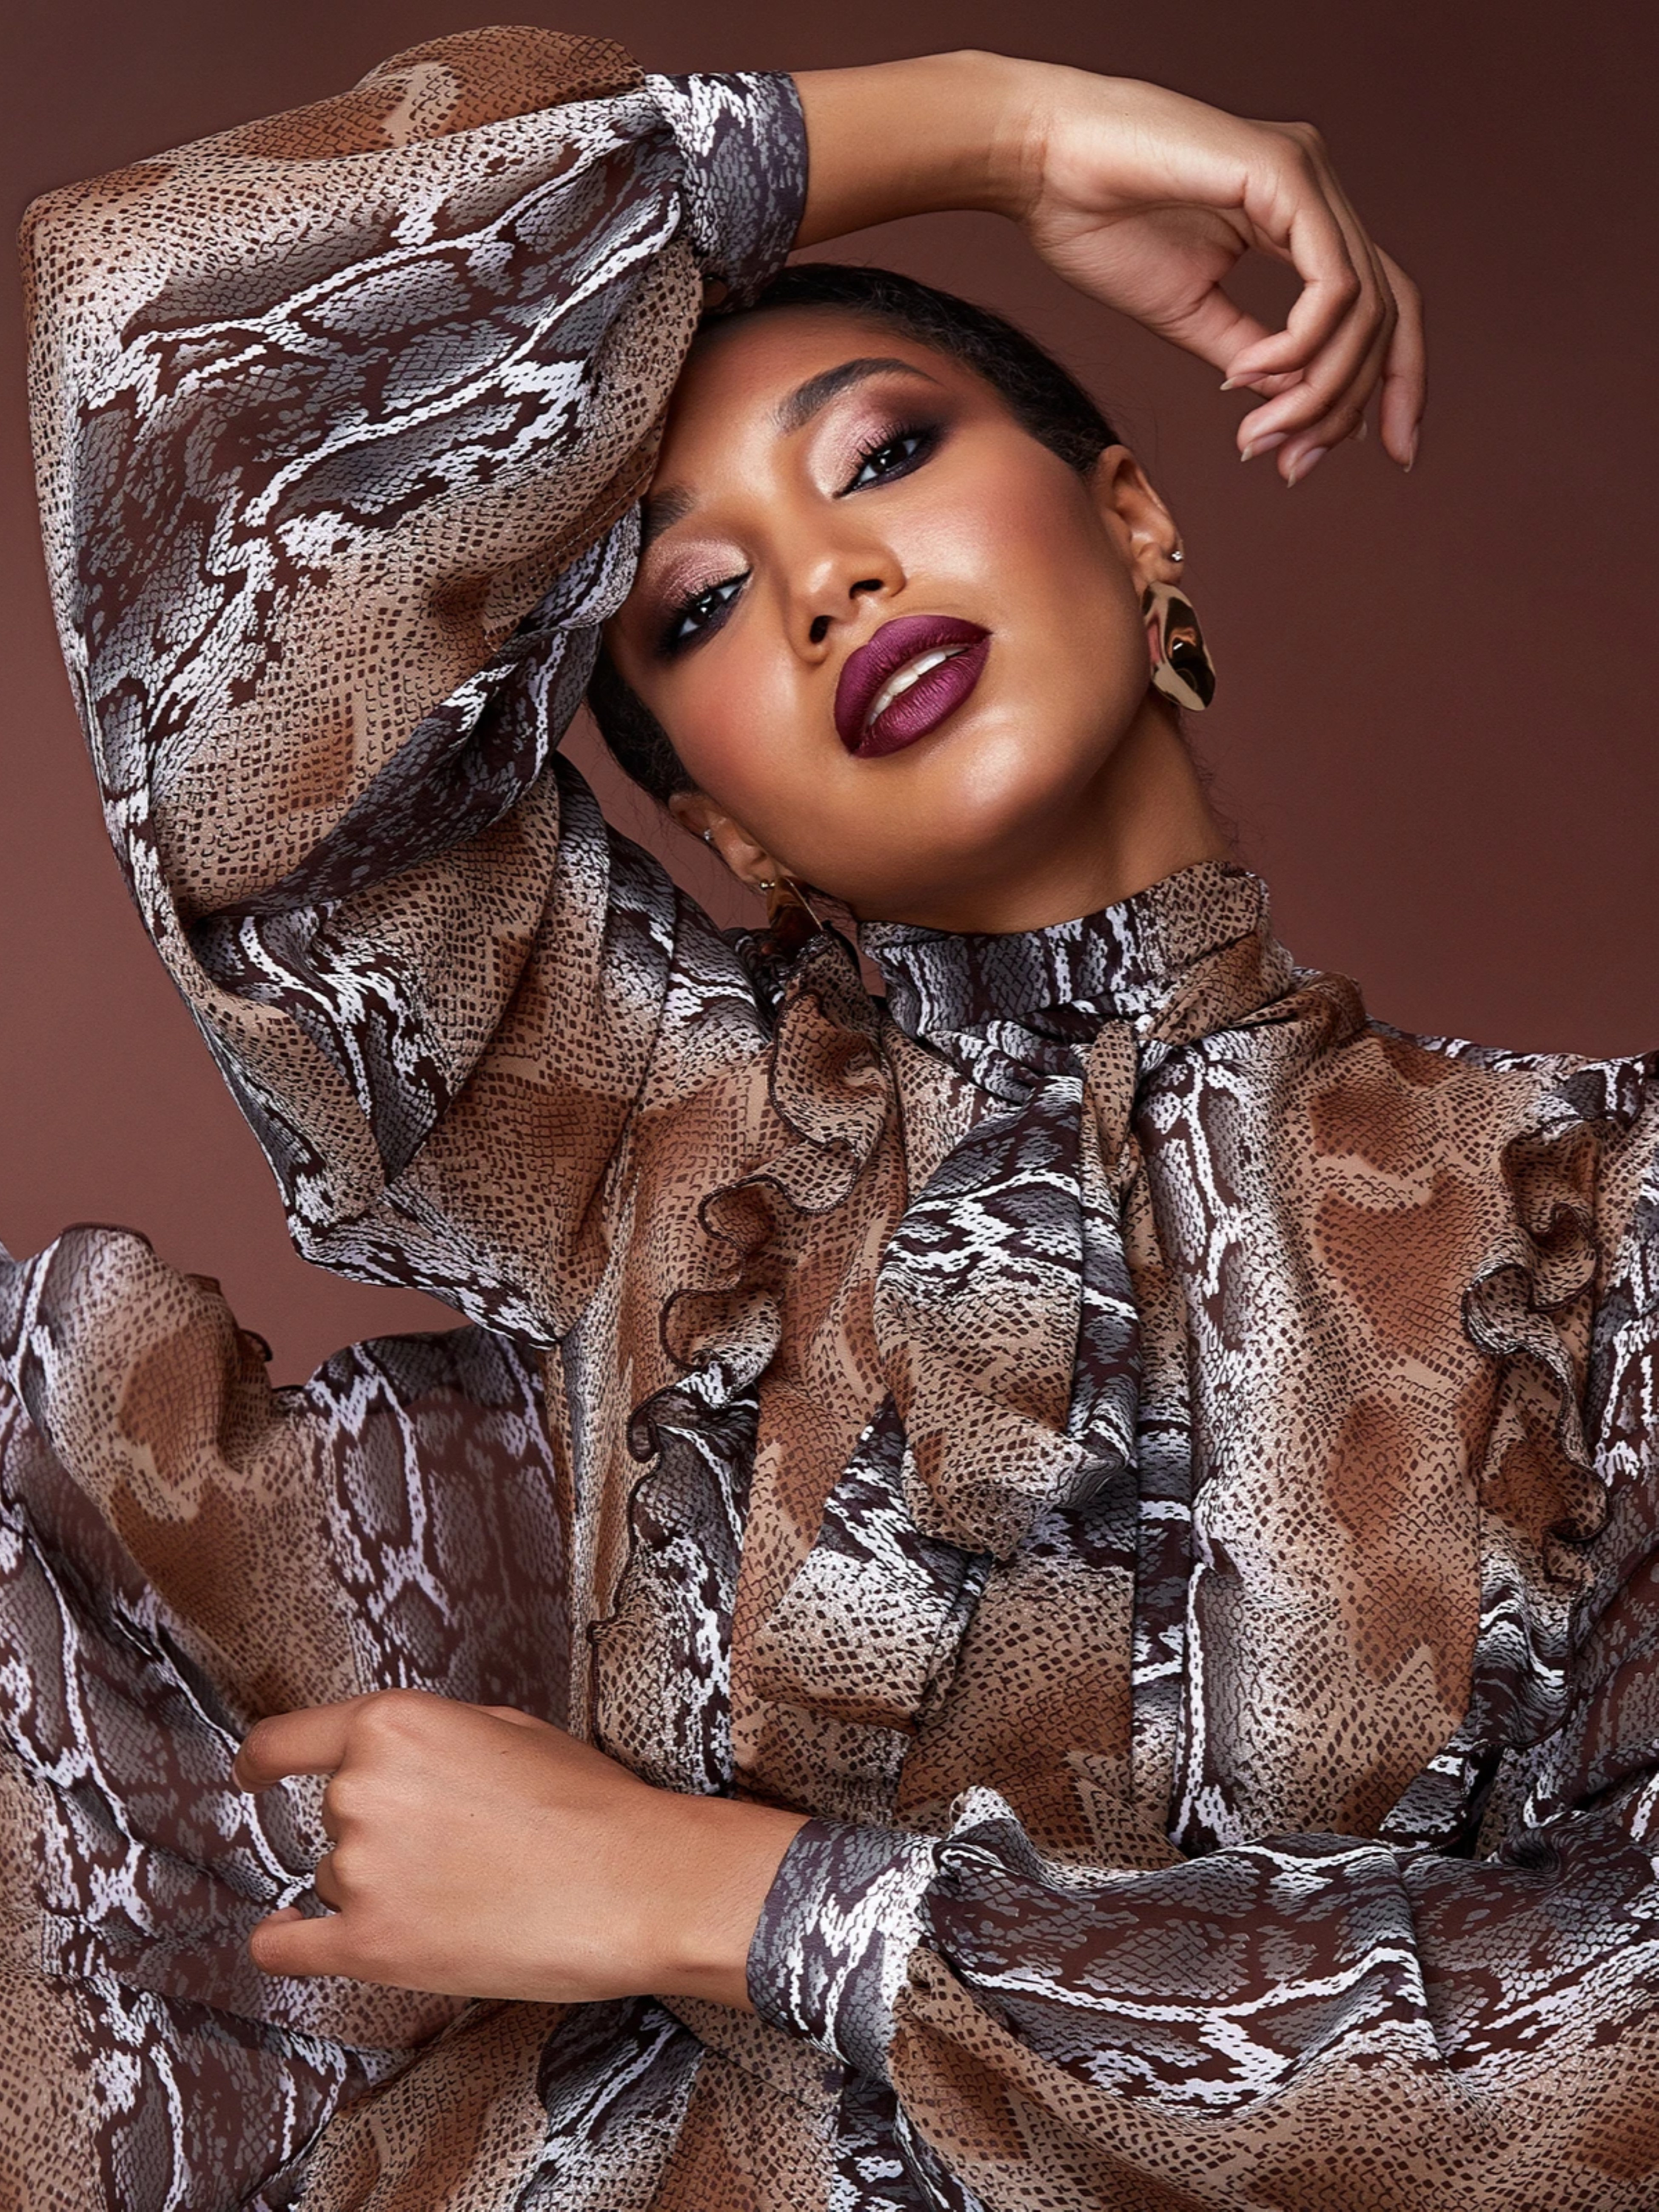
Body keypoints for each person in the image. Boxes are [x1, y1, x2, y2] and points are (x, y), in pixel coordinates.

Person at [3, 26, 1654, 2211]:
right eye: (696, 606)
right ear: (719, 824)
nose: (826, 584)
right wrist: (992, 125)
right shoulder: (638, 1137)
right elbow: (175, 362)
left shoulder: (1597, 1216)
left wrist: (740, 1900)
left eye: (883, 455)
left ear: (1136, 520)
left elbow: (1609, 2044)